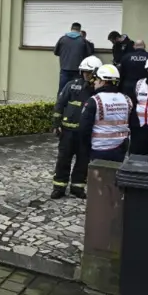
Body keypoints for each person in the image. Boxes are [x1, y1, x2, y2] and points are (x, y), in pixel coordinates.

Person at [51, 55, 102, 199]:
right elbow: (60, 104)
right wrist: (56, 123)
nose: (86, 74)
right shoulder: (71, 85)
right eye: (84, 71)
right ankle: (59, 187)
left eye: (89, 72)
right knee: (63, 159)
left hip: (86, 134)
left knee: (83, 161)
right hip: (67, 131)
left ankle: (77, 187)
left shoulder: (98, 91)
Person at [78, 64, 133, 172]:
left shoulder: (94, 101)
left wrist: (85, 148)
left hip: (99, 148)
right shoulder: (127, 99)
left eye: (96, 79)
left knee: (99, 182)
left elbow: (84, 129)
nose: (94, 82)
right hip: (121, 147)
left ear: (103, 81)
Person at [54, 22, 89, 94]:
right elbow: (88, 54)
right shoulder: (82, 40)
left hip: (64, 69)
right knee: (76, 91)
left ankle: (60, 104)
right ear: (79, 30)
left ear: (71, 29)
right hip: (78, 71)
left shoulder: (62, 39)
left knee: (62, 90)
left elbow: (56, 52)